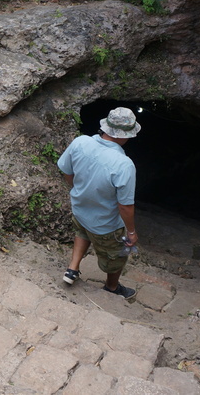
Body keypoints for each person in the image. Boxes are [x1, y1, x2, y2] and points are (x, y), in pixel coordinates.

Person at [57, 106, 140, 300]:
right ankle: (112, 287)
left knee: (82, 231)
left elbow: (67, 171)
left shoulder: (81, 142)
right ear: (124, 135)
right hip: (105, 224)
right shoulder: (123, 164)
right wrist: (131, 232)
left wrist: (78, 190)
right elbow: (125, 206)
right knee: (117, 255)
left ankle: (72, 269)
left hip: (79, 209)